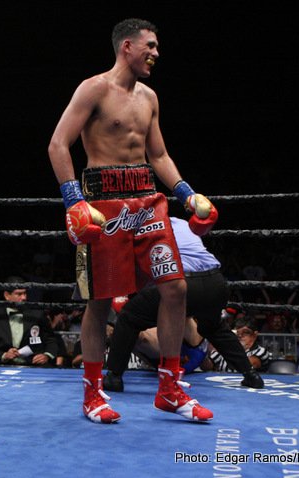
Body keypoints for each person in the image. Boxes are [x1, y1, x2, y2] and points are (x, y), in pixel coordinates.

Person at [48, 18, 218, 424]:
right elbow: (58, 143)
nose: (157, 53)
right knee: (100, 301)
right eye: (151, 45)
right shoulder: (94, 89)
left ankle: (170, 389)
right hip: (102, 205)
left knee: (175, 288)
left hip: (146, 203)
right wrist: (73, 199)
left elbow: (158, 156)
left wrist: (186, 193)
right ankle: (93, 395)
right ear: (127, 46)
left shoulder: (150, 97)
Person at [103, 217, 263, 391]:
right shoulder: (181, 222)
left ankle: (114, 377)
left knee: (128, 317)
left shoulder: (136, 227)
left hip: (180, 283)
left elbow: (140, 272)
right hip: (216, 283)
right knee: (214, 327)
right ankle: (250, 375)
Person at [0, 277, 58, 366]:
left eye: (25, 293)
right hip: (5, 367)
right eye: (19, 294)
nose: (24, 297)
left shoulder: (37, 315)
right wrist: (4, 355)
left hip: (34, 366)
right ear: (7, 295)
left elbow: (51, 340)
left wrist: (46, 355)